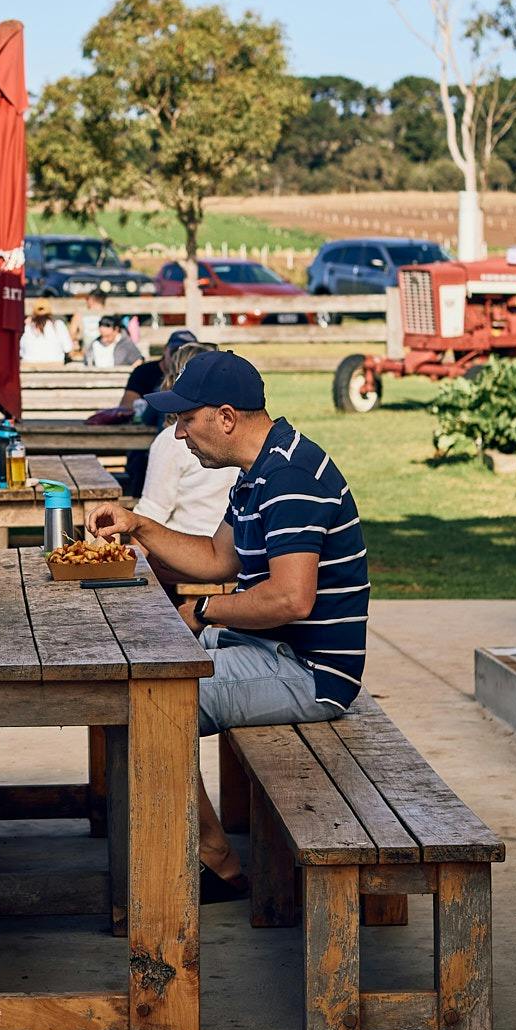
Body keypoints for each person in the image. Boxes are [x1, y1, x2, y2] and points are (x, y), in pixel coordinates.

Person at [86, 351, 369, 902]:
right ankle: (179, 846)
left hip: (310, 674)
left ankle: (213, 860)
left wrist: (204, 612)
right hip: (269, 651)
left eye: (186, 420)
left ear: (225, 416)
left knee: (151, 707)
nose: (179, 435)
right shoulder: (261, 467)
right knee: (134, 682)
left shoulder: (288, 477)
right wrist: (139, 525)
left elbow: (291, 598)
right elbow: (218, 559)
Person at [132, 343, 240, 540]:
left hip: (184, 550)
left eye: (188, 419)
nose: (180, 434)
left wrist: (133, 566)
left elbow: (152, 512)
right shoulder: (241, 438)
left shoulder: (170, 441)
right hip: (233, 549)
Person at [120, 329, 198, 412]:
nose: (179, 358)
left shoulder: (197, 374)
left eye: (188, 354)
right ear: (165, 350)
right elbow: (127, 405)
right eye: (175, 352)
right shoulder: (143, 372)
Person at [19, 299, 74, 365]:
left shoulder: (27, 327)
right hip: (55, 367)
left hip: (29, 366)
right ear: (50, 311)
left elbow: (20, 352)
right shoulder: (58, 325)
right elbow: (68, 349)